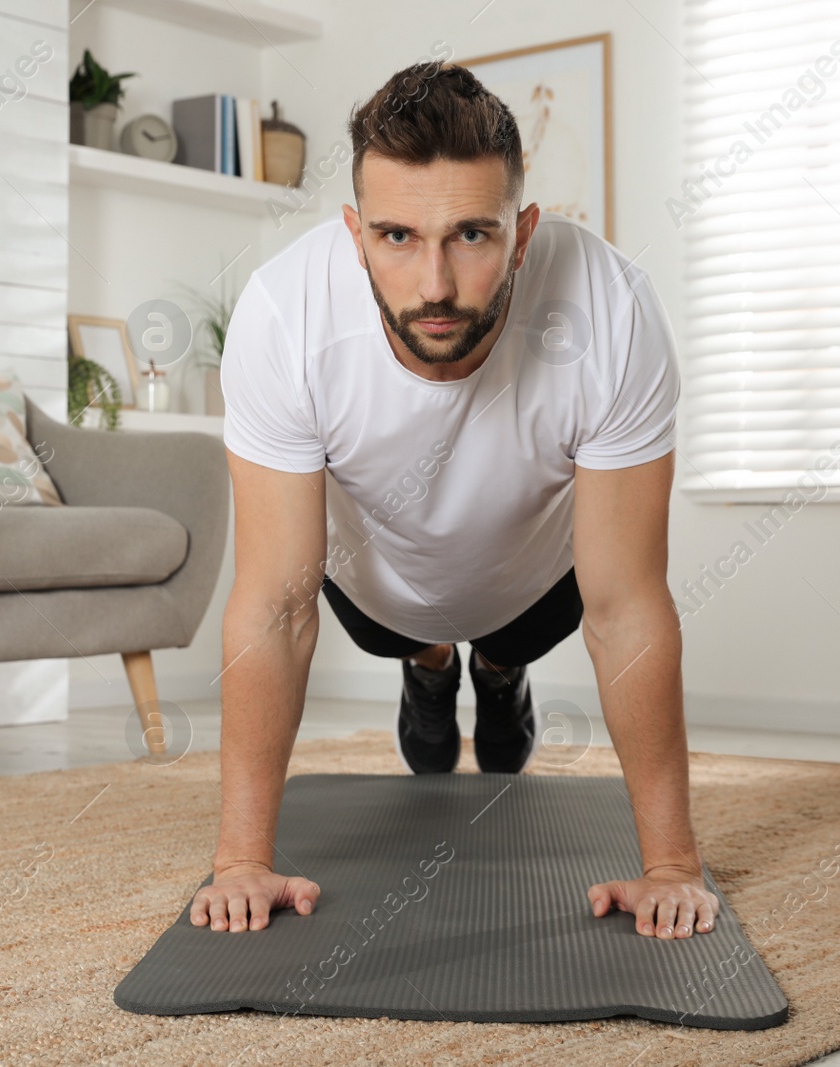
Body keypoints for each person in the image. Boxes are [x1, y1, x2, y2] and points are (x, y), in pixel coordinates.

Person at [188, 60, 719, 943]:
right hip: (383, 588)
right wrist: (242, 860)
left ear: (523, 233)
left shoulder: (612, 307)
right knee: (419, 645)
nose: (434, 284)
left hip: (538, 578)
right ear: (354, 234)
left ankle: (499, 672)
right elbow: (278, 605)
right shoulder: (285, 313)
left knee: (512, 639)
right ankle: (432, 669)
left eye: (471, 235)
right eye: (397, 237)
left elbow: (625, 604)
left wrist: (671, 865)